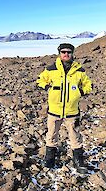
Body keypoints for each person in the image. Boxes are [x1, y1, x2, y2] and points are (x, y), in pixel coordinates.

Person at [36, 43, 92, 173]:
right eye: (63, 52)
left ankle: (78, 161)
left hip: (72, 111)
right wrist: (48, 88)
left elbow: (88, 84)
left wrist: (81, 92)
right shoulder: (51, 69)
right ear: (59, 53)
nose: (66, 54)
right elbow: (40, 80)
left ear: (73, 54)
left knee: (75, 136)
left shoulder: (79, 71)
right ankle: (50, 158)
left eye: (68, 52)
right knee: (51, 135)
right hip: (54, 111)